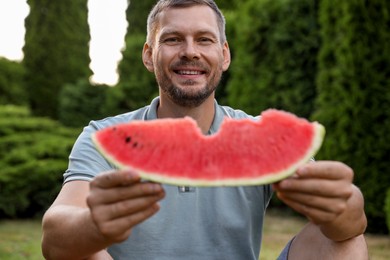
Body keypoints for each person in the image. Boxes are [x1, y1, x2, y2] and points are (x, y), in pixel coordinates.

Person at [41, 0, 368, 259]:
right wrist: (94, 225)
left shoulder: (256, 137)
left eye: (204, 39)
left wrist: (347, 205)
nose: (190, 51)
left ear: (223, 55)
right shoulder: (102, 137)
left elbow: (349, 225)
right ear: (148, 55)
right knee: (80, 252)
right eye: (172, 39)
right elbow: (55, 236)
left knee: (344, 241)